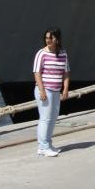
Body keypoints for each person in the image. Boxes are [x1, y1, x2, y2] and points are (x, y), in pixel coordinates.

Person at [32, 27, 70, 157]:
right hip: (44, 90)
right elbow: (36, 73)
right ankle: (43, 146)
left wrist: (65, 89)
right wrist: (42, 90)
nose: (48, 40)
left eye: (51, 38)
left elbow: (66, 73)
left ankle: (47, 143)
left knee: (53, 118)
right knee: (45, 118)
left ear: (57, 39)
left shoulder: (63, 54)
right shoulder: (41, 53)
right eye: (46, 38)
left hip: (55, 90)